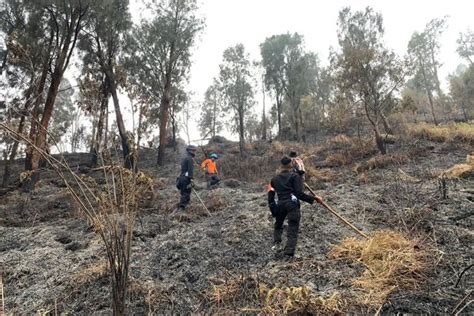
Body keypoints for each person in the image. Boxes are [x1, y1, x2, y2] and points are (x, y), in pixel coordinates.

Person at [268, 156, 323, 259]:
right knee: (293, 227)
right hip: (292, 204)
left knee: (278, 224)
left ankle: (277, 243)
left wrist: (273, 209)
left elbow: (270, 195)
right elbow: (299, 194)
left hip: (280, 204)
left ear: (281, 165)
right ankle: (289, 251)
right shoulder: (294, 176)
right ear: (291, 165)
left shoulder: (273, 179)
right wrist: (314, 199)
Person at [176, 145, 197, 210]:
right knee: (186, 193)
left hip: (182, 178)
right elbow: (190, 170)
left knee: (184, 193)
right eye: (193, 150)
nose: (194, 152)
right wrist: (191, 179)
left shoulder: (185, 158)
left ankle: (185, 206)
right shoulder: (190, 159)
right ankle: (182, 208)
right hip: (186, 179)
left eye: (194, 150)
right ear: (189, 151)